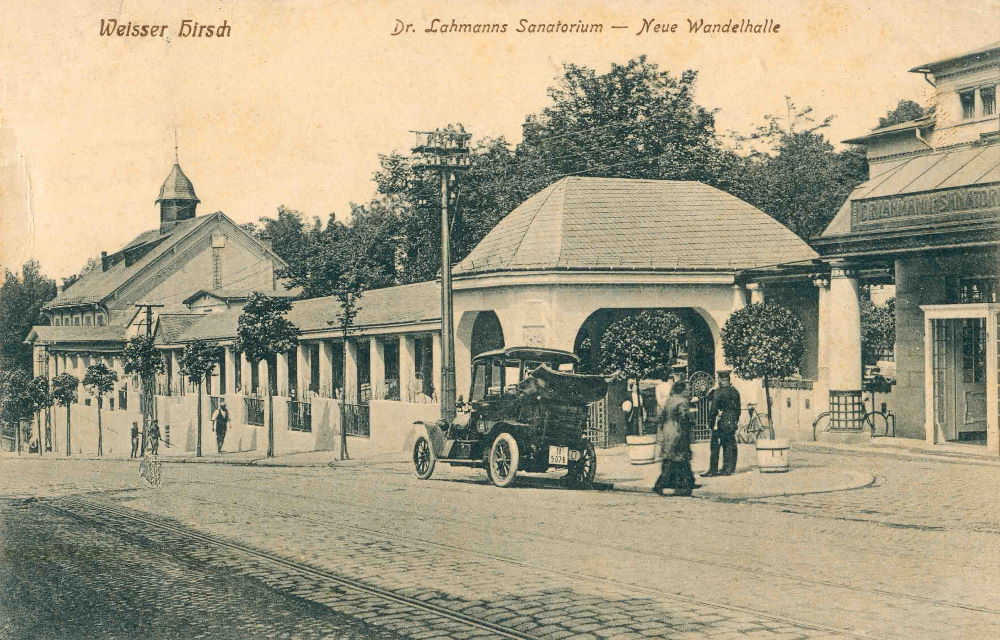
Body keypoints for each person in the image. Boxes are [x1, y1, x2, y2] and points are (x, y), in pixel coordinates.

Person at [652, 380, 696, 497]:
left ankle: (689, 483)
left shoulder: (669, 401)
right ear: (681, 390)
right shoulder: (682, 401)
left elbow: (661, 417)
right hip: (678, 432)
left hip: (668, 432)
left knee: (676, 458)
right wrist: (691, 422)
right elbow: (683, 417)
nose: (688, 391)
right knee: (677, 458)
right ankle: (660, 485)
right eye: (686, 389)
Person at [702, 371, 741, 476]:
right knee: (729, 445)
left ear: (720, 379)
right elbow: (738, 410)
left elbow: (713, 409)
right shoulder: (735, 391)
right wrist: (735, 421)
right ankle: (728, 469)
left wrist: (710, 422)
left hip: (721, 422)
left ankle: (713, 470)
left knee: (715, 446)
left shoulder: (719, 392)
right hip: (731, 422)